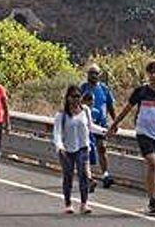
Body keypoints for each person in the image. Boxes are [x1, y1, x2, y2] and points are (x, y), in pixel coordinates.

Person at [108, 61, 155, 215]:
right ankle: (152, 199)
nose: (154, 75)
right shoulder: (141, 91)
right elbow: (127, 108)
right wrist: (115, 124)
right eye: (151, 72)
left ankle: (154, 199)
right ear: (148, 74)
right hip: (143, 133)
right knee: (152, 163)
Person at [53, 85, 95, 215]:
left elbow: (91, 127)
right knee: (68, 176)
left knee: (83, 175)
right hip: (67, 150)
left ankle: (84, 203)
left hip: (82, 148)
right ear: (67, 98)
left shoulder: (85, 110)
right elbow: (57, 133)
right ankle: (68, 203)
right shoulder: (62, 114)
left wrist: (106, 131)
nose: (76, 99)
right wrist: (59, 146)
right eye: (73, 96)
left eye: (78, 96)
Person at [80, 64, 116, 188]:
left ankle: (105, 175)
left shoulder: (105, 89)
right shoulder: (83, 88)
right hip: (85, 125)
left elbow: (111, 106)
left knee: (102, 148)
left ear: (99, 75)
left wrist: (115, 122)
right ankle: (88, 177)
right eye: (91, 73)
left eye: (96, 73)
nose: (93, 75)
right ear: (87, 74)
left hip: (100, 124)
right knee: (87, 151)